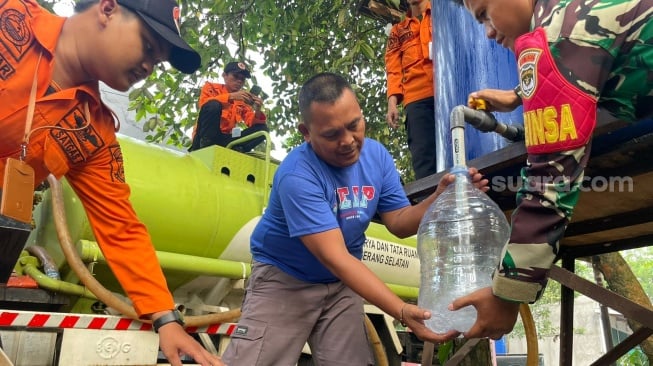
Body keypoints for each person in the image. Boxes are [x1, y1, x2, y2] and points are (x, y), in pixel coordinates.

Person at [0, 1, 224, 365]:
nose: (149, 67)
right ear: (107, 8)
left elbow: (121, 227)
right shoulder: (10, 17)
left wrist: (166, 317)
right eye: (149, 46)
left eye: (158, 61)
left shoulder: (94, 132)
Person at [222, 72, 488, 365]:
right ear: (306, 132)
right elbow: (337, 258)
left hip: (339, 286)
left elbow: (399, 221)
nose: (348, 141)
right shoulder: (297, 175)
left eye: (354, 125)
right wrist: (399, 309)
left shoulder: (376, 156)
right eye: (332, 134)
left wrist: (439, 199)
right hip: (285, 279)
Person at [446, 0, 653, 341]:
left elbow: (550, 181)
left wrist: (507, 293)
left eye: (484, 14)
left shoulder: (554, 34)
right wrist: (518, 95)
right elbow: (585, 57)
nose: (488, 32)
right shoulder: (574, 12)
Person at [385, 0, 437, 180]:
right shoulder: (398, 31)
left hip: (448, 91)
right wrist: (392, 103)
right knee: (424, 160)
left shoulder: (442, 13)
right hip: (417, 99)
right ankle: (429, 205)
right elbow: (393, 70)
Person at [189, 61, 268, 152]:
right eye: (235, 76)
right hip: (204, 136)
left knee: (263, 129)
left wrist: (257, 110)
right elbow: (204, 105)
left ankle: (238, 148)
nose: (239, 81)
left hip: (225, 139)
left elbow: (251, 121)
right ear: (224, 75)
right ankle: (207, 145)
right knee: (214, 104)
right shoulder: (211, 87)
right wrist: (230, 96)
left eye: (242, 79)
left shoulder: (242, 99)